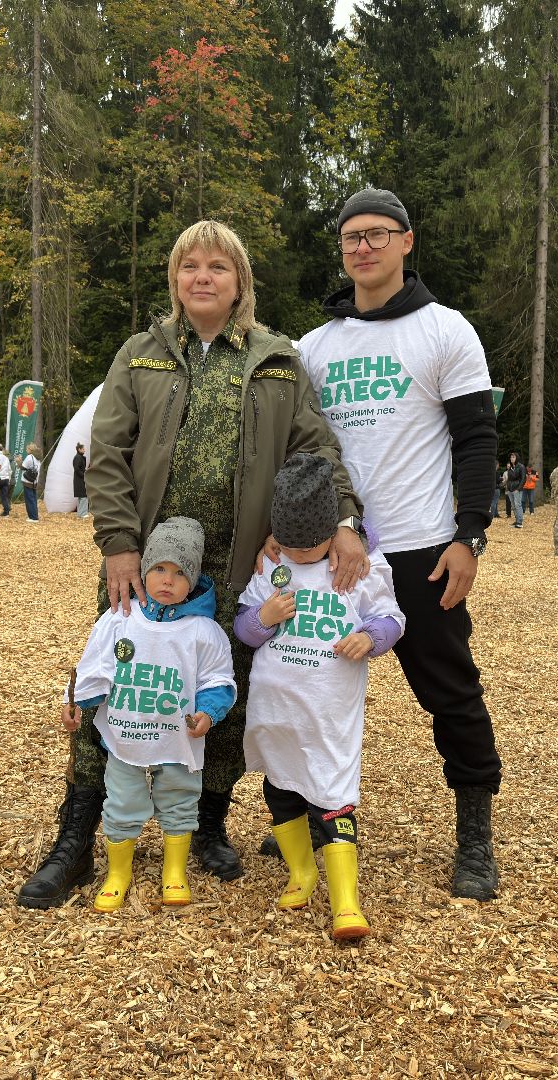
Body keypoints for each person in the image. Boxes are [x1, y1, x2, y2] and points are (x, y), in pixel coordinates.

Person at [17, 219, 362, 910]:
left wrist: (344, 521)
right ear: (176, 279)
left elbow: (318, 451)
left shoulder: (276, 361)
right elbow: (107, 452)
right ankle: (76, 838)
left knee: (222, 693)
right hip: (145, 569)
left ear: (240, 282)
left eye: (218, 267)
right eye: (189, 266)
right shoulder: (141, 355)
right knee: (114, 679)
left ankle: (205, 826)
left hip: (239, 565)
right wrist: (117, 541)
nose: (202, 277)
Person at [293, 187, 502, 901]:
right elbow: (299, 450)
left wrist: (469, 535)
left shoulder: (445, 331)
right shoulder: (314, 347)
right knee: (306, 688)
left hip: (419, 546)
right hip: (330, 549)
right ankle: (302, 812)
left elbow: (478, 440)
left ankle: (474, 833)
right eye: (352, 236)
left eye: (378, 234)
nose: (363, 247)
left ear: (407, 242)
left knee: (451, 693)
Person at [235, 455, 404, 940]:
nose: (301, 555)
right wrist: (263, 617)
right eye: (291, 544)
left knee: (334, 795)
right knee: (279, 786)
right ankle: (302, 871)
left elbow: (394, 618)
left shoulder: (360, 567)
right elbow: (245, 630)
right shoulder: (273, 563)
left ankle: (347, 901)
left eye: (311, 546)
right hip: (276, 708)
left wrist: (371, 638)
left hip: (329, 712)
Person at [61, 518, 236, 912]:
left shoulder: (204, 632)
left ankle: (174, 871)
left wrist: (208, 712)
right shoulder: (119, 619)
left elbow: (218, 680)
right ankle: (118, 873)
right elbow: (92, 670)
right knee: (120, 804)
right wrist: (76, 703)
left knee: (180, 801)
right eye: (159, 568)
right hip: (124, 738)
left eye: (179, 572)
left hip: (177, 741)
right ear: (144, 571)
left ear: (193, 579)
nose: (167, 580)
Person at [502, 452, 525, 527]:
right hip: (510, 489)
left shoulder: (521, 466)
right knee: (513, 506)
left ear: (517, 458)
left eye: (513, 457)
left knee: (518, 505)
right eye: (511, 457)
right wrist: (508, 488)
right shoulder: (510, 468)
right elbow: (509, 479)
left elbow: (523, 479)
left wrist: (518, 489)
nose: (512, 458)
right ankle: (517, 520)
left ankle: (520, 522)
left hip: (517, 489)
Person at [20, 442, 41, 522]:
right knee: (33, 499)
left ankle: (33, 517)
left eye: (27, 449)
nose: (26, 450)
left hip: (27, 481)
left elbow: (23, 467)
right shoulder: (37, 458)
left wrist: (19, 461)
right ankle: (35, 515)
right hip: (34, 481)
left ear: (30, 449)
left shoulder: (29, 457)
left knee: (29, 500)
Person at [0, 442, 12, 516]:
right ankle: (6, 512)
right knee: (4, 496)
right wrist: (8, 479)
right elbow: (9, 469)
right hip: (5, 478)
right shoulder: (6, 458)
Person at [72, 442, 88, 519]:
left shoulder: (79, 457)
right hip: (79, 479)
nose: (84, 450)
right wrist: (84, 475)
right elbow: (77, 469)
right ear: (79, 449)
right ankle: (83, 514)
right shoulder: (78, 458)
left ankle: (80, 513)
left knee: (81, 497)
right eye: (83, 449)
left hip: (79, 479)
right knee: (84, 497)